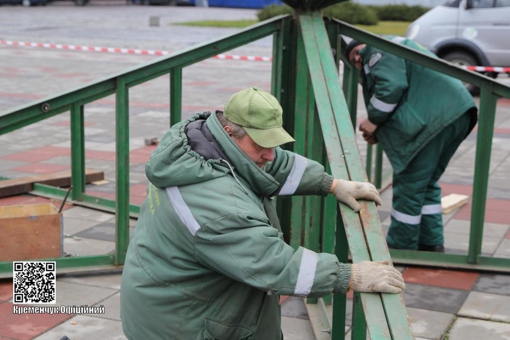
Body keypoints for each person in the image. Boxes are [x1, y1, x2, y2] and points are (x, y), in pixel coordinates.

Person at [120, 87, 405, 340]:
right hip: (179, 324)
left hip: (164, 292)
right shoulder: (219, 206)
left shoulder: (199, 144)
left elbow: (273, 162)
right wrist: (347, 276)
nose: (269, 153)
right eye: (261, 144)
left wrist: (330, 184)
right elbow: (270, 262)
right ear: (230, 131)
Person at [345, 37, 478, 252]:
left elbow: (391, 88)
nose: (358, 59)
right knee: (426, 183)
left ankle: (401, 245)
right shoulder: (396, 47)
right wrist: (379, 128)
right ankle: (430, 242)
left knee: (409, 182)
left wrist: (374, 120)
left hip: (436, 117)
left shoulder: (378, 49)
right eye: (353, 60)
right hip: (456, 113)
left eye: (358, 53)